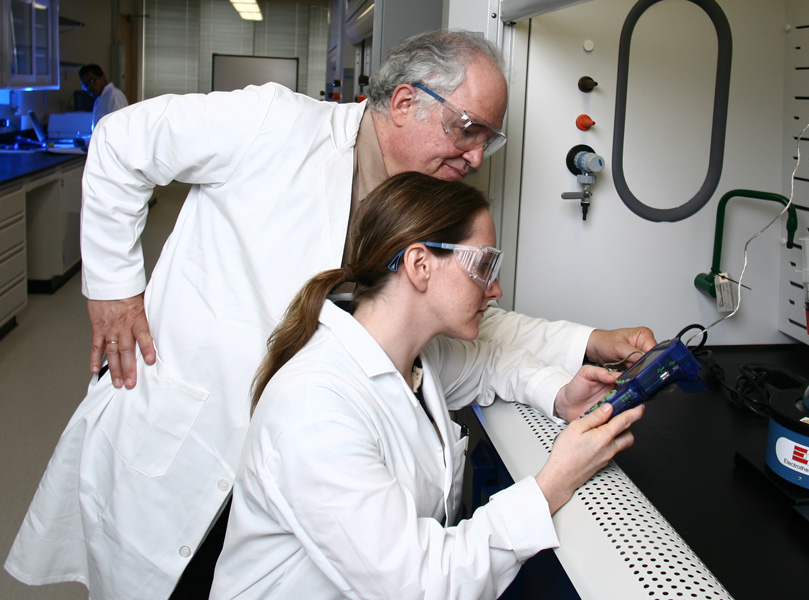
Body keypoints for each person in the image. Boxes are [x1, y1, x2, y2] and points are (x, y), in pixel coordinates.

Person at [5, 31, 656, 599]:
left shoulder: (412, 209)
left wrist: (585, 341)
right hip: (190, 436)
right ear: (405, 102)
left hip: (302, 466)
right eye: (469, 129)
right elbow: (121, 141)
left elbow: (467, 316)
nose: (477, 157)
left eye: (489, 138)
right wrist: (115, 289)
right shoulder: (272, 124)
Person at [210, 171, 644, 599]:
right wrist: (554, 483)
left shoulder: (415, 358)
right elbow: (418, 585)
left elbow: (492, 363)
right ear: (420, 265)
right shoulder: (315, 412)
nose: (495, 289)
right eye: (483, 265)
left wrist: (560, 394)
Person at [78, 64, 129, 130]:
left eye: (91, 81)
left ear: (102, 77)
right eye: (85, 85)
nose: (89, 87)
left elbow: (118, 127)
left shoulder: (114, 95)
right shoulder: (99, 99)